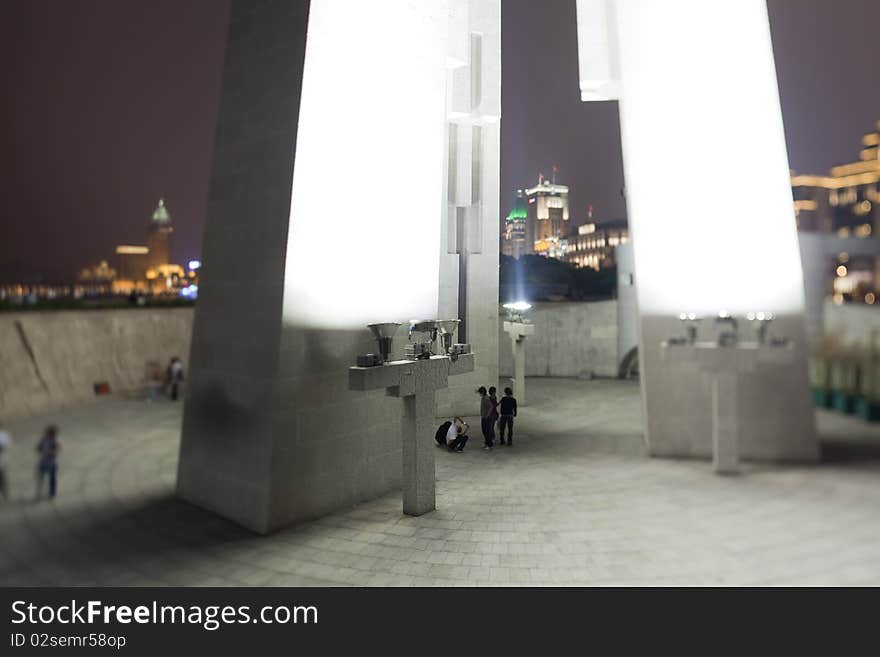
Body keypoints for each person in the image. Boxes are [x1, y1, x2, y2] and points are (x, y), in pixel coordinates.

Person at [36, 425, 60, 500]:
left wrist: (49, 452)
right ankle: (39, 492)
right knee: (40, 478)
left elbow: (56, 451)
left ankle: (52, 494)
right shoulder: (44, 439)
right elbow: (38, 447)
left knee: (52, 479)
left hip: (52, 463)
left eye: (48, 432)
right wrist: (41, 449)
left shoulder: (55, 441)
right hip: (43, 461)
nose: (46, 434)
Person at [0, 423, 11, 500]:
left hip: (2, 461)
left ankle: (5, 495)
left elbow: (4, 447)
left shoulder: (3, 435)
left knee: (3, 478)